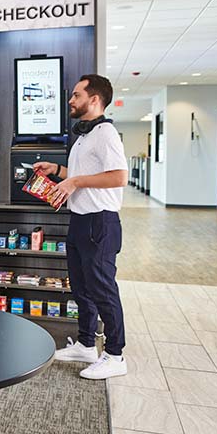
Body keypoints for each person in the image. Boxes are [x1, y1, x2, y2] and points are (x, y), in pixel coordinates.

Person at [34, 74, 128, 381]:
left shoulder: (106, 134)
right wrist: (59, 171)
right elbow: (84, 174)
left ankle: (115, 354)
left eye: (76, 95)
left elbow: (118, 177)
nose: (71, 101)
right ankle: (87, 343)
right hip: (80, 220)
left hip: (100, 222)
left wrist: (74, 180)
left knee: (103, 289)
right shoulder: (86, 136)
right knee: (81, 286)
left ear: (95, 100)